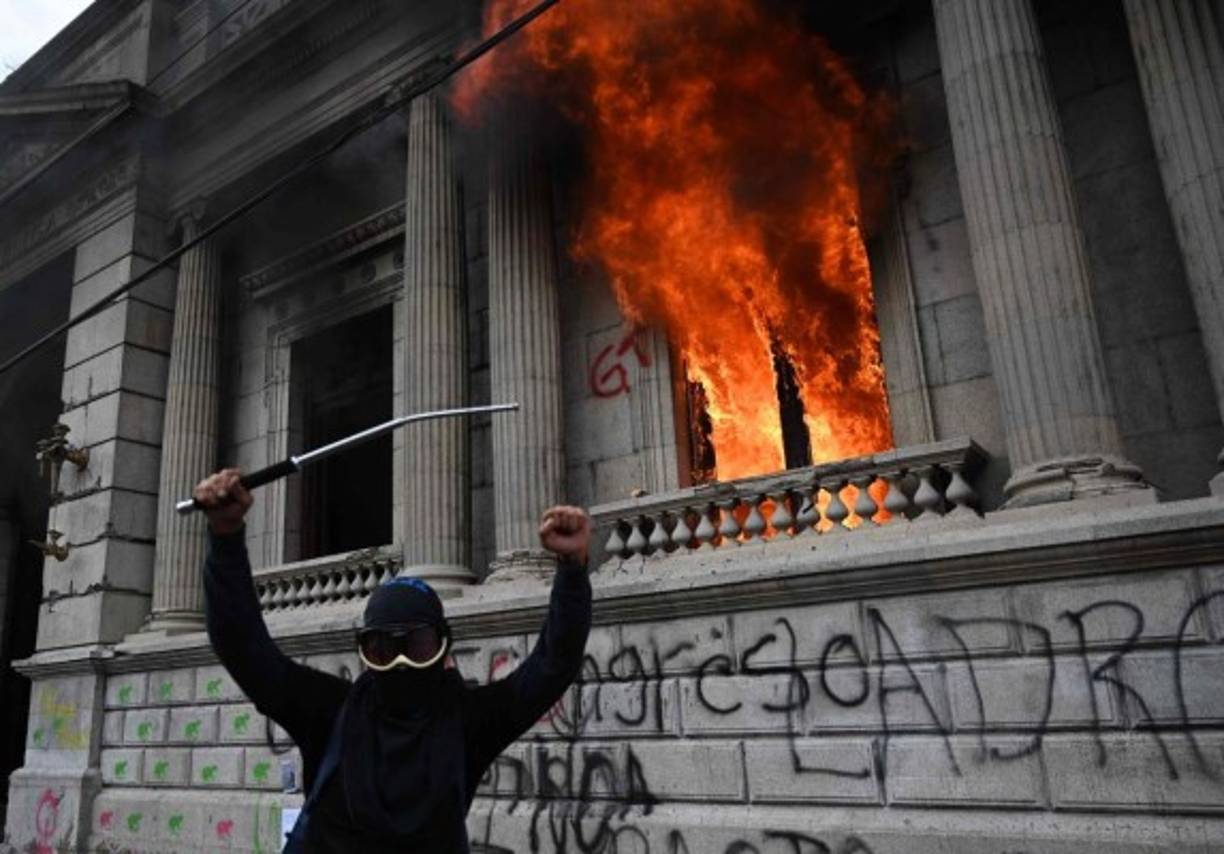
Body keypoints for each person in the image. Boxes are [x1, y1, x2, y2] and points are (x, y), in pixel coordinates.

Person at [194, 468, 592, 853]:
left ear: (442, 646)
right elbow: (243, 648)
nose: (401, 662)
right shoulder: (330, 711)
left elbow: (551, 667)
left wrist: (572, 569)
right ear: (364, 653)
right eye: (383, 649)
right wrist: (225, 537)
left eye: (417, 645)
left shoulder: (470, 720)